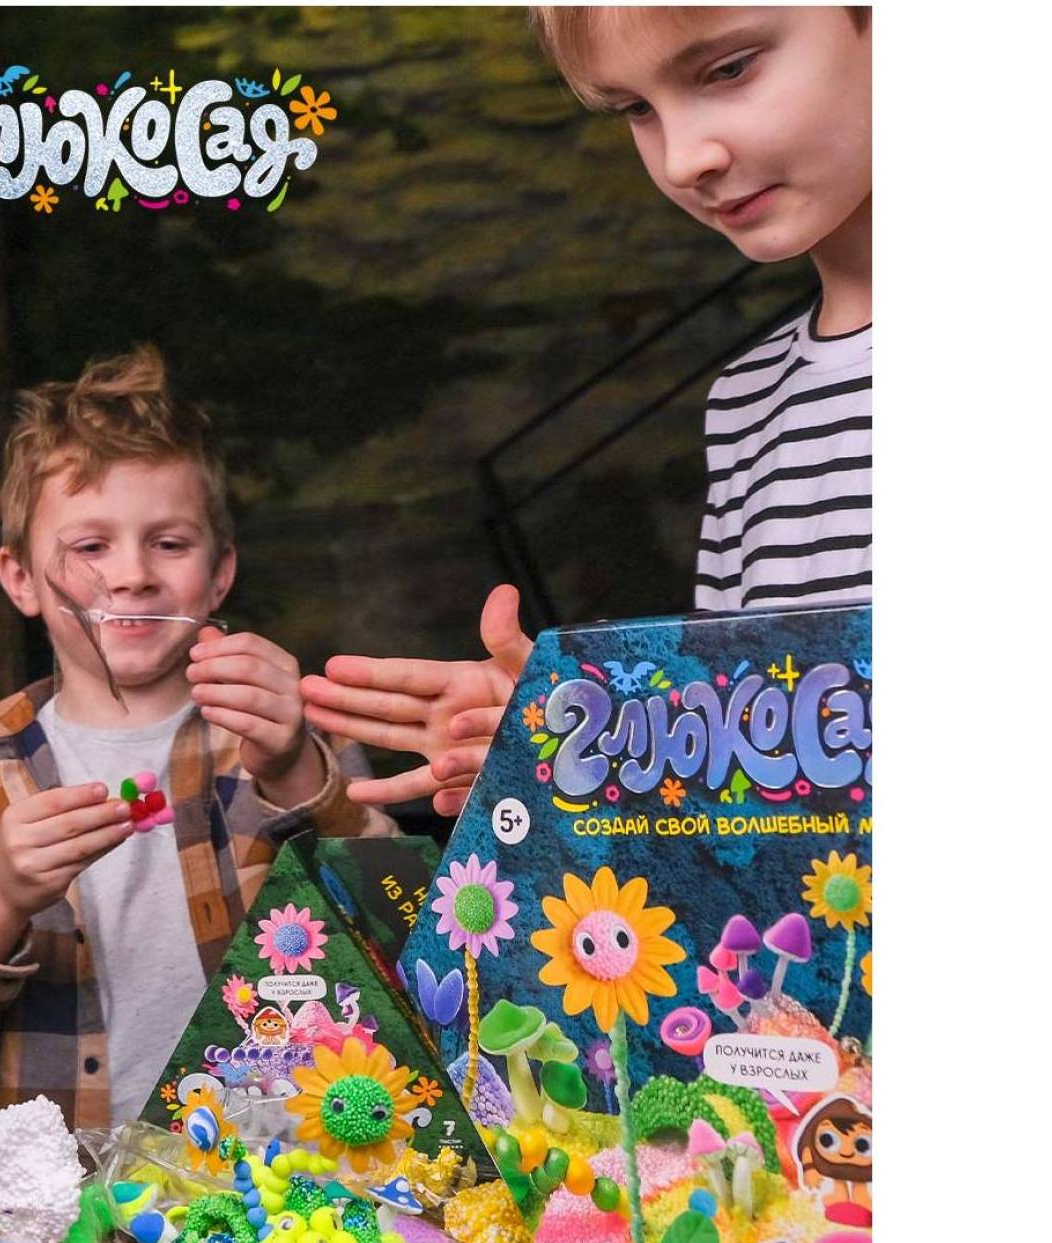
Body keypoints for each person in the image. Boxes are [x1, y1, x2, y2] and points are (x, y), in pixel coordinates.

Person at [301, 5, 871, 816]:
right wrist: (596, 745)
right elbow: (763, 792)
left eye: (730, 68)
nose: (684, 159)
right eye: (635, 108)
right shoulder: (746, 400)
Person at [0, 347, 394, 1130]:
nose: (131, 576)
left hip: (283, 1180)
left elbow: (401, 947)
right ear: (20, 580)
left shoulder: (295, 732)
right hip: (64, 1195)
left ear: (219, 575)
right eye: (90, 547)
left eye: (169, 544)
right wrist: (1, 896)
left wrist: (294, 774)